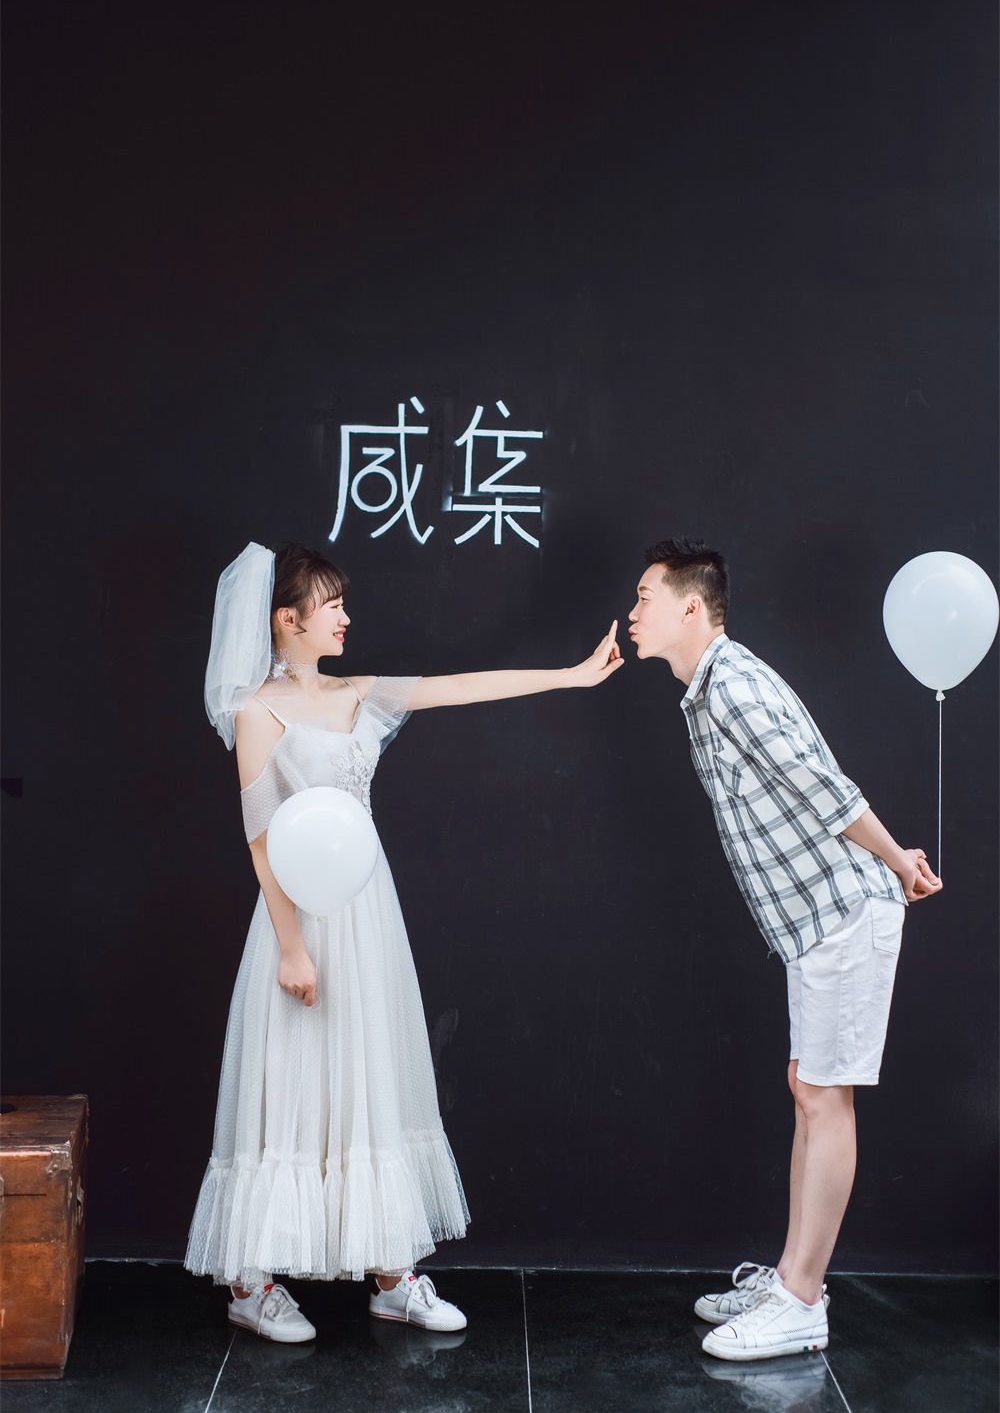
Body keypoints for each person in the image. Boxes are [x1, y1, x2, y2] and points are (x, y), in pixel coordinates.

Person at [185, 541, 622, 1343]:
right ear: (287, 620)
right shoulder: (258, 711)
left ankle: (392, 1275)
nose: (346, 617)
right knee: (292, 1076)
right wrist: (291, 946)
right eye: (332, 605)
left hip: (366, 912)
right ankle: (252, 1283)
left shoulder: (357, 692)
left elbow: (458, 687)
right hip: (298, 917)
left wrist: (569, 675)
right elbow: (260, 841)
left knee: (372, 1073)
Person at [627, 538, 942, 1362]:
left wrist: (896, 858)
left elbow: (822, 786)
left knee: (824, 1098)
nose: (633, 613)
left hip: (843, 912)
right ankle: (791, 1279)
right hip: (814, 924)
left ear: (691, 606)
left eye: (645, 598)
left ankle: (802, 1301)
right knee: (810, 1089)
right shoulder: (708, 690)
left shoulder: (732, 685)